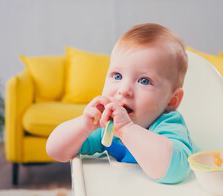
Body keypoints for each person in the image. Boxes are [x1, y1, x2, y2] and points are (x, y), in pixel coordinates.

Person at [46, 23, 200, 184]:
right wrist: (83, 126)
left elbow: (174, 171)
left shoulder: (168, 124)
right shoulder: (107, 128)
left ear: (172, 100)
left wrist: (127, 129)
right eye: (117, 76)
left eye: (144, 80)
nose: (124, 90)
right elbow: (55, 151)